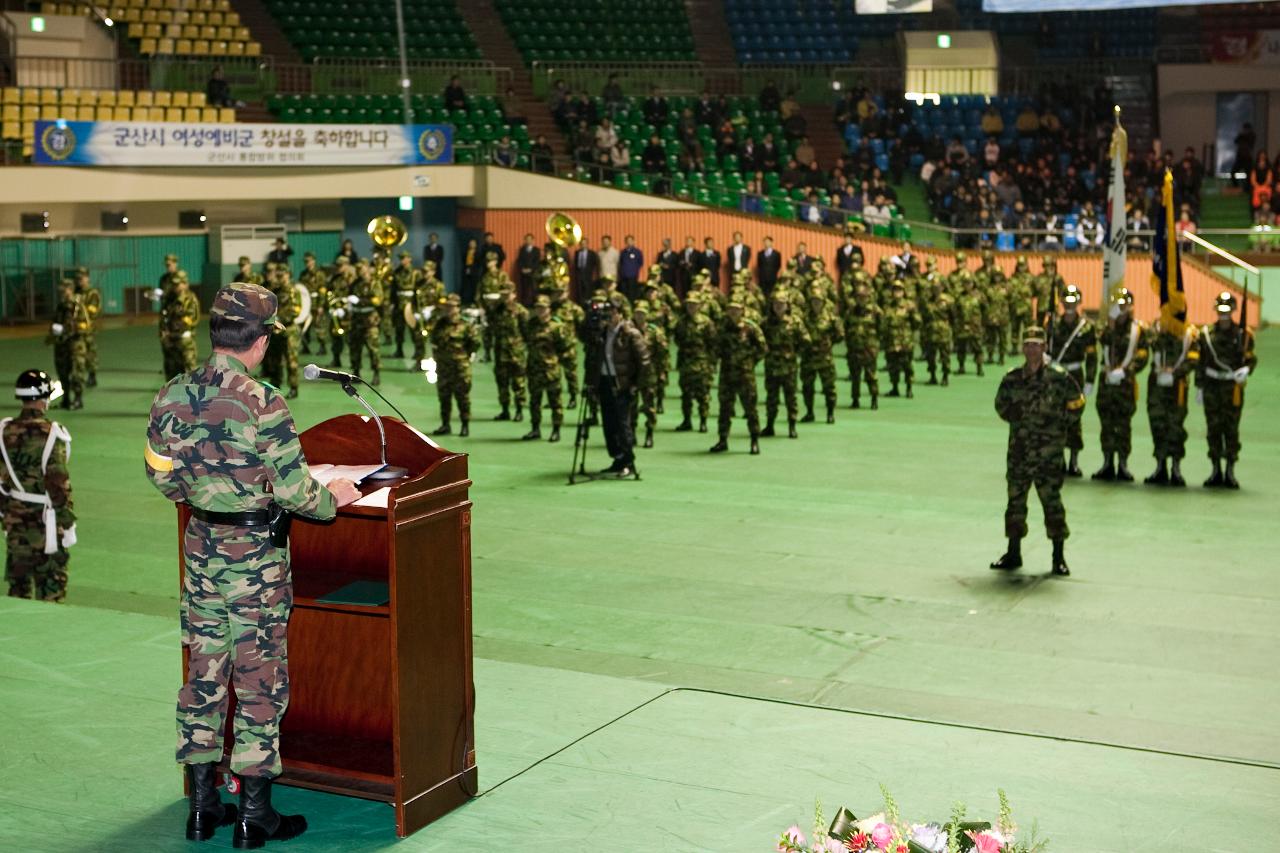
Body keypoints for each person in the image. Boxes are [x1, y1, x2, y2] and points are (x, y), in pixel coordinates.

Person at [146, 283, 360, 846]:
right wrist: (338, 494)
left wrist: (208, 493)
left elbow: (161, 475)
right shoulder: (264, 402)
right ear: (262, 341)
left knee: (204, 676)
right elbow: (296, 494)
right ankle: (255, 815)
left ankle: (201, 805)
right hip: (256, 564)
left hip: (201, 552)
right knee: (259, 679)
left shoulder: (170, 394)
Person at [991, 326, 1083, 577]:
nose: (1032, 349)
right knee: (1015, 503)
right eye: (1028, 344)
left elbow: (1077, 403)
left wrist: (1058, 425)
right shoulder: (1012, 377)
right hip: (1019, 451)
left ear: (1044, 348)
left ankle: (1058, 557)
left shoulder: (1059, 377)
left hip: (1048, 453)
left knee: (1052, 503)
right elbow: (1000, 404)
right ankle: (1013, 552)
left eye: (1036, 345)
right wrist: (1018, 419)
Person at [2, 369, 75, 602]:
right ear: (44, 399)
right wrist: (68, 522)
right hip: (47, 523)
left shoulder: (4, 430)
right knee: (51, 587)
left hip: (15, 521)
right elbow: (58, 484)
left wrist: (5, 513)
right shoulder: (53, 433)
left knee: (18, 590)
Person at [1197, 291, 1257, 488]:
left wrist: (1246, 369)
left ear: (1233, 311)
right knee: (1213, 429)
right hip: (1212, 388)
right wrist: (1199, 386)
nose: (1223, 315)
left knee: (1231, 429)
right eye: (1221, 310)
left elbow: (1250, 357)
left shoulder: (1243, 334)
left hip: (1232, 389)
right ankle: (1215, 469)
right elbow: (1201, 361)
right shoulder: (1207, 334)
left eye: (1227, 310)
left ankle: (1230, 470)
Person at [1092, 288, 1148, 481]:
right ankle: (1107, 462)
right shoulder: (1106, 327)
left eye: (1125, 304)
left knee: (1123, 424)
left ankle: (1123, 464)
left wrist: (1126, 370)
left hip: (1125, 384)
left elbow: (1143, 354)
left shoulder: (1138, 329)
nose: (1122, 307)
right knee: (1106, 424)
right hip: (1107, 384)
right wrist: (1111, 323)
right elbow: (1101, 338)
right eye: (1119, 304)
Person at [1045, 285, 1098, 477]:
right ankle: (1058, 460)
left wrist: (1091, 379)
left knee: (1074, 417)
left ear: (1078, 302)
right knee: (1054, 418)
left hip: (1075, 375)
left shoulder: (1086, 327)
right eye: (1066, 301)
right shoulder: (1052, 323)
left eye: (1073, 301)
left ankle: (1074, 462)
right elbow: (1045, 348)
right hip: (1056, 375)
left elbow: (1092, 355)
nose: (1069, 304)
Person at [595, 297, 650, 476]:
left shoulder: (630, 333)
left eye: (612, 313)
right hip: (605, 380)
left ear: (620, 314)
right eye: (606, 313)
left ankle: (629, 461)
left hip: (622, 384)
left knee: (622, 424)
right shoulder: (602, 332)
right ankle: (617, 458)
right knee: (608, 423)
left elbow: (644, 361)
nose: (609, 317)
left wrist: (636, 385)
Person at [1144, 317, 1199, 486]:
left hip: (1177, 386)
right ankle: (1160, 466)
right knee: (1157, 423)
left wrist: (1175, 373)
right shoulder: (1157, 328)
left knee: (1176, 426)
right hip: (1157, 385)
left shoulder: (1190, 333)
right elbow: (1148, 342)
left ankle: (1176, 468)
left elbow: (1193, 358)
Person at [710, 298, 765, 455]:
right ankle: (723, 439)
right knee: (725, 409)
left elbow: (762, 348)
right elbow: (715, 347)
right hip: (727, 374)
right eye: (730, 309)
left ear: (742, 310)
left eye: (737, 309)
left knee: (750, 408)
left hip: (745, 375)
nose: (733, 312)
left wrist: (750, 361)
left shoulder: (750, 327)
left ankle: (754, 440)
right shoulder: (722, 327)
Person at [523, 295, 574, 443]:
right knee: (535, 401)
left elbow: (566, 346)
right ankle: (535, 428)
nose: (540, 310)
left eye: (543, 308)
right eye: (538, 307)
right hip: (534, 369)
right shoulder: (531, 325)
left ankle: (556, 429)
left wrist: (557, 361)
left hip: (551, 369)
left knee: (555, 401)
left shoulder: (557, 327)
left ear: (549, 309)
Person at [430, 294, 482, 437]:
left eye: (452, 306)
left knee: (462, 398)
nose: (449, 309)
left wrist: (464, 355)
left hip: (460, 368)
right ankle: (445, 424)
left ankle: (465, 425)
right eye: (447, 306)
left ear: (458, 308)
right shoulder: (439, 324)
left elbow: (475, 342)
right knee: (444, 397)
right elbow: (434, 340)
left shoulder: (465, 325)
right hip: (443, 368)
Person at [761, 290, 809, 439]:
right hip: (771, 365)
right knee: (771, 397)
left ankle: (792, 426)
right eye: (776, 304)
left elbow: (806, 340)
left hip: (789, 367)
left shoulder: (795, 322)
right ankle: (770, 425)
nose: (778, 307)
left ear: (787, 305)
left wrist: (795, 352)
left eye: (781, 304)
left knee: (791, 397)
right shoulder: (766, 323)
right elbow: (758, 340)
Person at [674, 293, 715, 434]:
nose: (691, 307)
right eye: (689, 304)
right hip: (686, 362)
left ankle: (703, 421)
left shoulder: (706, 322)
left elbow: (712, 343)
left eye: (694, 304)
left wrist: (711, 363)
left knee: (703, 394)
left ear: (699, 305)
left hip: (702, 362)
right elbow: (677, 340)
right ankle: (687, 420)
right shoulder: (681, 322)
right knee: (686, 394)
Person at [800, 288, 842, 424]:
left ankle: (830, 413)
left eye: (818, 301)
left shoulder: (831, 317)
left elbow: (840, 334)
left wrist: (828, 344)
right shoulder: (804, 317)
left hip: (825, 358)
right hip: (808, 357)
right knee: (807, 387)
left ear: (824, 302)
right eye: (814, 301)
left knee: (829, 387)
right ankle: (809, 412)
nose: (816, 303)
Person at [629, 300, 667, 449]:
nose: (639, 316)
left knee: (649, 405)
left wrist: (662, 372)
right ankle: (631, 433)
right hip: (632, 373)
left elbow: (662, 354)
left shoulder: (655, 332)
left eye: (642, 314)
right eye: (637, 313)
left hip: (649, 374)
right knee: (631, 405)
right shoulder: (628, 330)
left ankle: (649, 433)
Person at [47, 279, 88, 410]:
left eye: (64, 290)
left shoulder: (77, 306)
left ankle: (78, 399)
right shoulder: (61, 305)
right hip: (61, 344)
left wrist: (67, 329)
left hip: (75, 344)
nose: (62, 293)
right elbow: (55, 321)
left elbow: (84, 324)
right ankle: (66, 399)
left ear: (70, 289)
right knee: (62, 372)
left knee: (77, 372)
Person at [261, 267, 301, 399]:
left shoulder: (293, 291)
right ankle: (276, 383)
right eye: (278, 275)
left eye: (283, 275)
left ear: (288, 275)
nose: (280, 278)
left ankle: (294, 387)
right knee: (275, 359)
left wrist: (279, 318)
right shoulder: (276, 291)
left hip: (289, 330)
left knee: (291, 361)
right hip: (276, 330)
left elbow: (295, 310)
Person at [490, 286, 528, 423]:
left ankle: (519, 410)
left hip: (515, 353)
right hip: (500, 352)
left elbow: (526, 332)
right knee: (502, 383)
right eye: (503, 295)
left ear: (514, 295)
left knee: (518, 383)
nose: (505, 298)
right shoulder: (497, 311)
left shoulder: (520, 311)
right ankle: (505, 410)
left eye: (508, 295)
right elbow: (491, 329)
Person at [346, 259, 383, 385]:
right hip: (356, 320)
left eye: (361, 269)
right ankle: (356, 373)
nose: (359, 272)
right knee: (355, 348)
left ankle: (376, 373)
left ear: (367, 268)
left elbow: (377, 300)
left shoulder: (374, 283)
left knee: (373, 349)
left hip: (370, 322)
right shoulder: (355, 283)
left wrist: (360, 301)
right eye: (358, 270)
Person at [161, 273, 200, 381]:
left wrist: (174, 328)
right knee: (171, 369)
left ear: (184, 284)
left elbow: (191, 319)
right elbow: (164, 315)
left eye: (177, 284)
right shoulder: (169, 298)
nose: (175, 287)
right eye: (173, 284)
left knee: (189, 368)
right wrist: (163, 331)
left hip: (184, 340)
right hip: (170, 339)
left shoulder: (189, 299)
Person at [73, 268, 101, 388]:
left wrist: (80, 308)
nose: (80, 280)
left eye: (82, 277)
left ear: (87, 278)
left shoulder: (92, 293)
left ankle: (92, 375)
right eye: (78, 278)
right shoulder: (75, 292)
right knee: (78, 353)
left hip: (88, 329)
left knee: (90, 352)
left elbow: (93, 311)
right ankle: (79, 375)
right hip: (76, 329)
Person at [516, 233, 541, 305]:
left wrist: (531, 269)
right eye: (527, 239)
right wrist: (522, 269)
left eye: (530, 239)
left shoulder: (537, 250)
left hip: (533, 273)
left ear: (533, 240)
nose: (528, 241)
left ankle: (535, 303)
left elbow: (537, 262)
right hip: (524, 273)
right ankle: (524, 304)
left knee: (534, 289)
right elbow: (519, 261)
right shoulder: (522, 250)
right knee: (524, 289)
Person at [618, 235, 644, 301]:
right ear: (625, 242)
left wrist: (634, 270)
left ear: (633, 241)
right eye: (627, 241)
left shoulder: (637, 252)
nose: (629, 242)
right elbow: (620, 263)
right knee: (624, 293)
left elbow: (640, 263)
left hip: (633, 276)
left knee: (632, 294)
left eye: (630, 241)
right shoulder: (622, 252)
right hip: (623, 277)